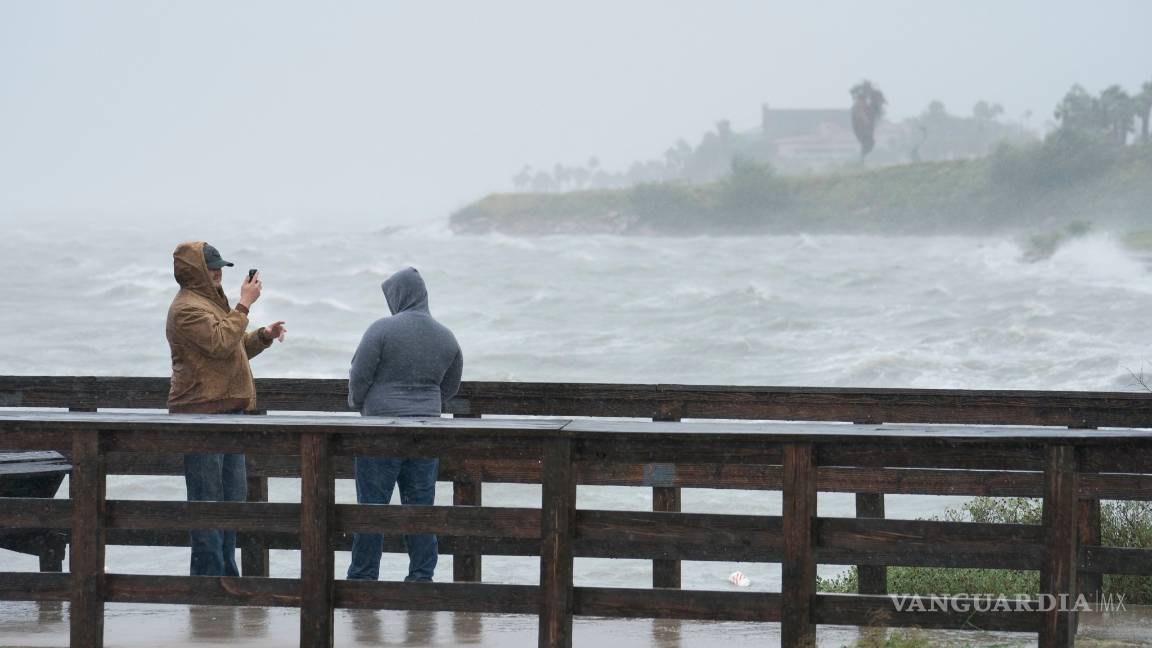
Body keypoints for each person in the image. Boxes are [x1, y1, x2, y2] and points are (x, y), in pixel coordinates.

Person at [166, 241, 286, 576]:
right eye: (212, 267)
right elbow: (220, 344)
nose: (219, 272)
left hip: (228, 414)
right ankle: (208, 582)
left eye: (220, 266)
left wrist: (261, 335)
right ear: (196, 271)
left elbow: (232, 348)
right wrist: (244, 305)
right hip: (201, 417)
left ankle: (227, 578)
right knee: (207, 503)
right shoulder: (186, 309)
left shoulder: (211, 304)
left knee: (231, 501)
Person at [347, 267, 463, 582]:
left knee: (372, 508)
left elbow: (359, 376)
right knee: (420, 508)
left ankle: (363, 578)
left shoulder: (381, 330)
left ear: (398, 296)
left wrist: (360, 404)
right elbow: (450, 387)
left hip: (379, 432)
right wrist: (427, 402)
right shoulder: (446, 336)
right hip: (427, 431)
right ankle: (422, 577)